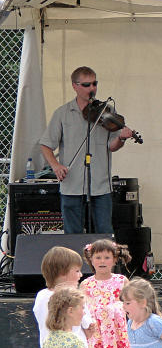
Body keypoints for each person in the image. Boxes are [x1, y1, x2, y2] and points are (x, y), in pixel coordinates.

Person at [40, 66, 135, 234]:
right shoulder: (62, 113)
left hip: (100, 184)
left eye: (94, 84)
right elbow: (46, 145)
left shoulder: (108, 112)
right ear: (74, 86)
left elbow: (111, 146)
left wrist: (121, 138)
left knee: (105, 233)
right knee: (72, 235)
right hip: (72, 185)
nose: (92, 88)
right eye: (86, 85)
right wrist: (55, 166)